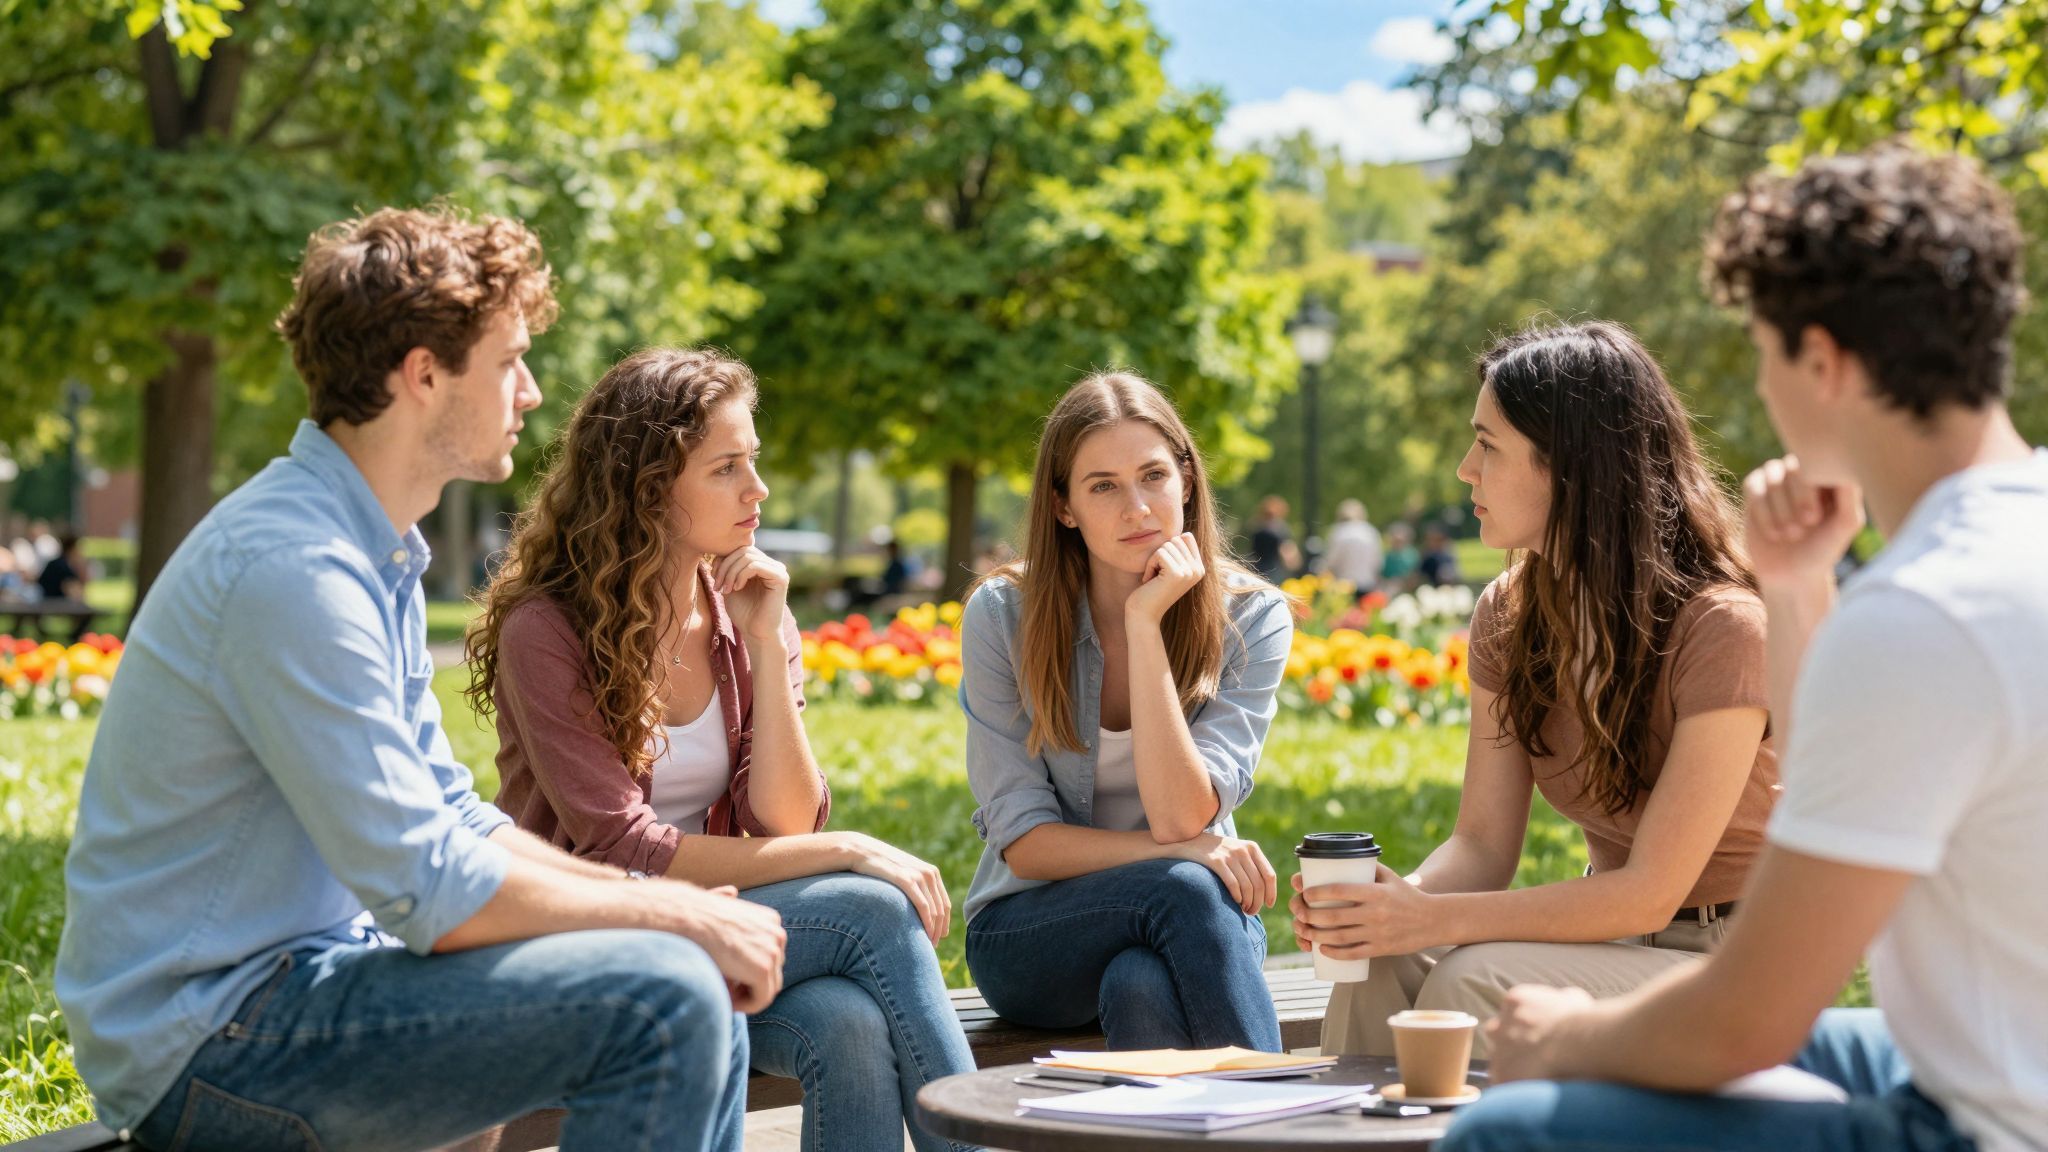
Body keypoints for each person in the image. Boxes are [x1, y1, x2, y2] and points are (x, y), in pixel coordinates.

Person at [56, 207, 780, 1152]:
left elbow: (457, 818)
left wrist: (674, 912)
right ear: (425, 374)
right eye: (510, 360)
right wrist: (667, 907)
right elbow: (427, 884)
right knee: (666, 999)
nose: (528, 392)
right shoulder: (294, 568)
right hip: (210, 1039)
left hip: (307, 984)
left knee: (685, 978)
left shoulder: (371, 550)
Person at [1443, 144, 2048, 1152]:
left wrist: (1566, 1038)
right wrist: (1797, 581)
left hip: (1982, 1122)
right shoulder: (1995, 551)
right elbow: (1835, 781)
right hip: (1991, 1047)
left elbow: (1745, 1020)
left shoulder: (1917, 617)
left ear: (1822, 363)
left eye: (1764, 354)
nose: (1761, 389)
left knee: (1506, 1132)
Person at [468, 346, 977, 1152]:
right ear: (647, 485)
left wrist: (768, 645)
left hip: (712, 927)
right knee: (871, 906)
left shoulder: (744, 609)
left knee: (845, 1025)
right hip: (580, 938)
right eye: (726, 467)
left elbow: (785, 815)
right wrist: (843, 850)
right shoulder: (548, 629)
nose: (758, 490)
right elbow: (618, 841)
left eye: (755, 461)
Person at [1298, 320, 1776, 1059]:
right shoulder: (1512, 612)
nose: (1464, 469)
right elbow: (1483, 845)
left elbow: (1652, 889)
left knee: (1474, 980)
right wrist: (1390, 909)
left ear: (1571, 468)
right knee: (1372, 965)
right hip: (1606, 938)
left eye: (1487, 445)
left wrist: (1433, 922)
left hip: (1724, 961)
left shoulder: (1723, 628)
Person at [962, 371, 1293, 1052]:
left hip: (1196, 926)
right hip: (1033, 931)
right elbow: (1025, 844)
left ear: (1188, 482)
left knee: (1140, 983)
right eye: (1103, 486)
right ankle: (1280, 1125)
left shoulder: (1251, 618)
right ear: (1064, 508)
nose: (1137, 508)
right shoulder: (1003, 616)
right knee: (1184, 888)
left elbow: (1179, 813)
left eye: (1153, 476)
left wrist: (1146, 627)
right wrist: (1189, 853)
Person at [1320, 499, 1384, 594]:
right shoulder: (1371, 532)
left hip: (1343, 585)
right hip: (1367, 584)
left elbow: (1331, 561)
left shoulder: (1338, 532)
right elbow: (1378, 562)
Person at [1246, 494, 1300, 582]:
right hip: (1273, 568)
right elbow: (1287, 549)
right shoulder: (1281, 529)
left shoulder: (1256, 527)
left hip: (1257, 566)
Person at [36, 530, 87, 601]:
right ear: (72, 549)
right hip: (47, 602)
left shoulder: (59, 563)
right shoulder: (61, 566)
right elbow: (76, 594)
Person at [1416, 523, 1463, 588]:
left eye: (1438, 540)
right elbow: (1420, 574)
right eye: (1432, 539)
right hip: (1430, 587)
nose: (1435, 543)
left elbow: (1455, 573)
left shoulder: (1448, 554)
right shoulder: (1426, 556)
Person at [1380, 521, 1420, 590]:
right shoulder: (1388, 555)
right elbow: (1383, 572)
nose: (1396, 543)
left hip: (1407, 586)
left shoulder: (1412, 555)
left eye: (1399, 541)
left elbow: (1414, 572)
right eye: (1394, 540)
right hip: (1389, 586)